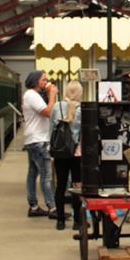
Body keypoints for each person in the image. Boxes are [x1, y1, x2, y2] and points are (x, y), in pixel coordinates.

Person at [22, 70, 57, 218]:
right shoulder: (31, 95)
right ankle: (53, 208)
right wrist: (53, 94)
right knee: (46, 174)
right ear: (36, 81)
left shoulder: (31, 95)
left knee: (33, 173)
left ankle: (34, 206)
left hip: (34, 139)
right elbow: (48, 112)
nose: (46, 81)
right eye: (43, 79)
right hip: (38, 140)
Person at [50, 80, 83, 231]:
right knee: (77, 186)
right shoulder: (82, 109)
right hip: (77, 154)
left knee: (60, 186)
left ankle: (60, 221)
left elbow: (51, 129)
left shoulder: (57, 107)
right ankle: (77, 221)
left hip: (60, 153)